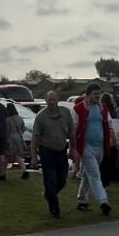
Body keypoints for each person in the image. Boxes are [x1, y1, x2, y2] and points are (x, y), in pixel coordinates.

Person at [30, 90, 75, 218]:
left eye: (54, 99)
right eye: (49, 100)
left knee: (62, 180)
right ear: (45, 101)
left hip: (61, 151)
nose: (52, 102)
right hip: (47, 152)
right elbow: (34, 138)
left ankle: (49, 195)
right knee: (50, 180)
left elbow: (72, 132)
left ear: (58, 100)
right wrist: (34, 157)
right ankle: (54, 208)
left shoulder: (66, 113)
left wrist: (73, 149)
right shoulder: (41, 117)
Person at [73, 82, 113, 216]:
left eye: (99, 94)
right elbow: (74, 128)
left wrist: (115, 139)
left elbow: (109, 124)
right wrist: (73, 148)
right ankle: (103, 202)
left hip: (100, 147)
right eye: (95, 94)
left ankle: (82, 200)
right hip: (86, 147)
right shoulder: (79, 109)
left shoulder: (103, 107)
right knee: (95, 175)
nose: (97, 96)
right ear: (88, 95)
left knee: (87, 174)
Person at [4, 102, 29, 179]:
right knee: (18, 156)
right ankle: (24, 171)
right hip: (19, 138)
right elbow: (23, 129)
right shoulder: (19, 118)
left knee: (7, 156)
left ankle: (3, 172)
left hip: (11, 139)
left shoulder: (7, 120)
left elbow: (7, 131)